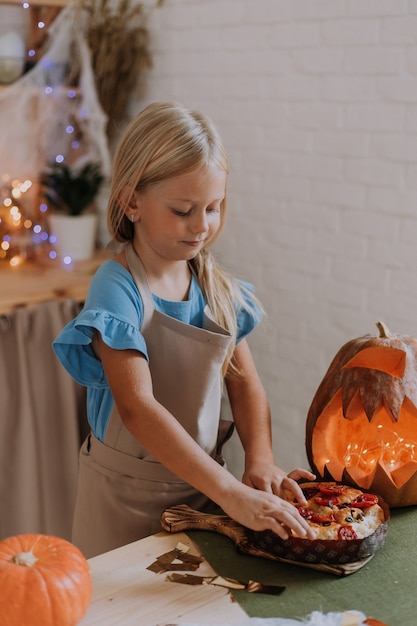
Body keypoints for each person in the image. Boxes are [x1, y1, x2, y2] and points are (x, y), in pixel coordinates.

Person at [53, 101, 316, 558]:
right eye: (183, 210)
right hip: (122, 501)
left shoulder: (216, 286)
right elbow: (137, 408)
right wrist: (232, 493)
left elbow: (245, 381)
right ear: (132, 201)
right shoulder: (116, 287)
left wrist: (260, 459)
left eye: (213, 208)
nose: (202, 226)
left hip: (203, 493)